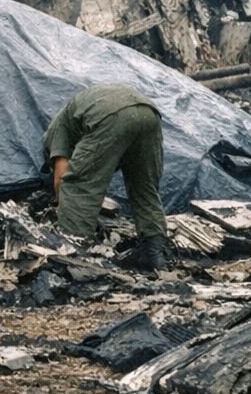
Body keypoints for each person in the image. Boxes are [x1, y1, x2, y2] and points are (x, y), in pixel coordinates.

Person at [42, 83, 169, 270]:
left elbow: (62, 177)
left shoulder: (55, 132)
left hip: (111, 115)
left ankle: (75, 258)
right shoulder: (76, 119)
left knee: (78, 186)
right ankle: (153, 254)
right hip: (148, 113)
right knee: (144, 187)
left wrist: (60, 206)